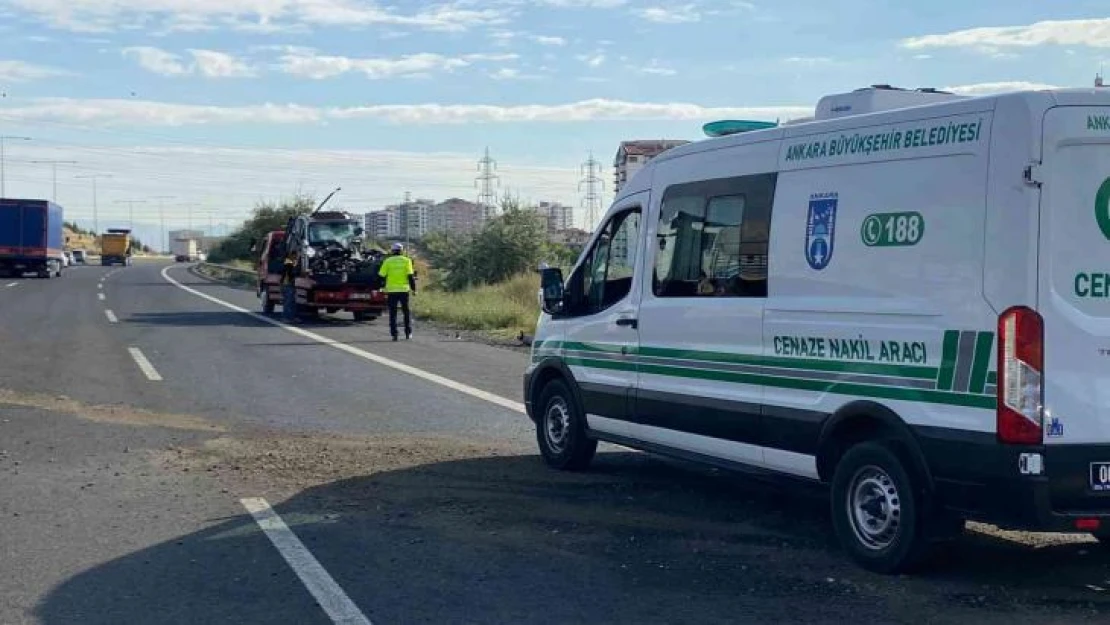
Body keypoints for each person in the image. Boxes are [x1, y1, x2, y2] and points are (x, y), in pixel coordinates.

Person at [378, 242, 416, 341]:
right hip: (404, 291)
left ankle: (394, 334)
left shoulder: (388, 261)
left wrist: (381, 286)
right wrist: (414, 289)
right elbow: (410, 277)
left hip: (391, 291)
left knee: (393, 313)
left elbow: (381, 275)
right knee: (406, 312)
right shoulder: (407, 261)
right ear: (401, 251)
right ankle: (408, 333)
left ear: (392, 251)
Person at [281, 248, 299, 323]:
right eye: (295, 256)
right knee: (288, 301)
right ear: (292, 255)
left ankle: (292, 317)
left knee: (292, 301)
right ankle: (286, 318)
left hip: (290, 284)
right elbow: (290, 272)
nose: (296, 257)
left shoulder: (290, 261)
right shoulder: (288, 262)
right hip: (287, 284)